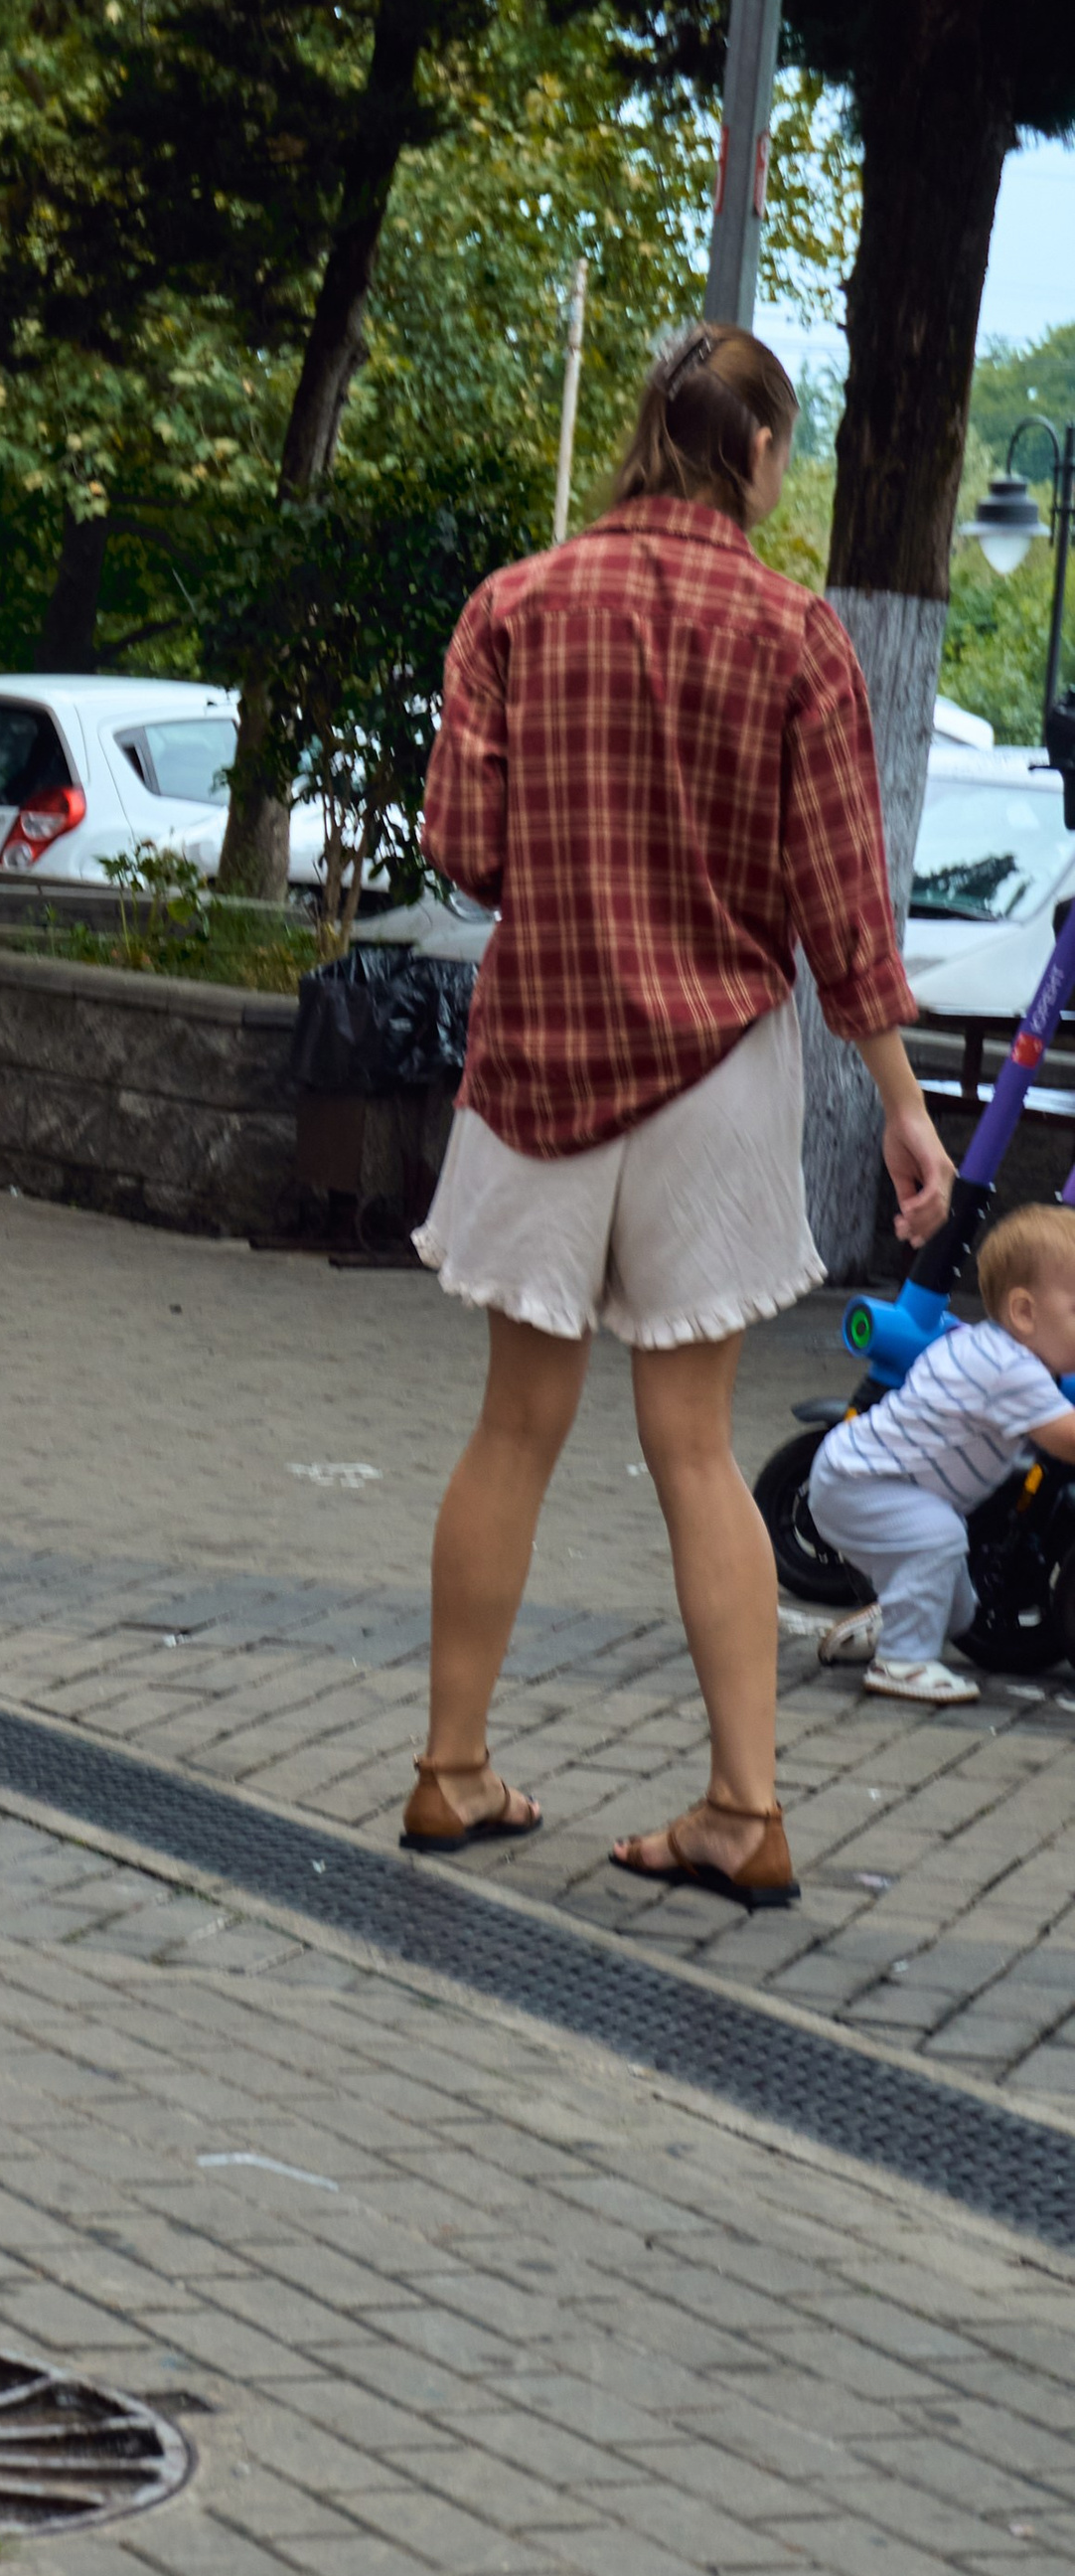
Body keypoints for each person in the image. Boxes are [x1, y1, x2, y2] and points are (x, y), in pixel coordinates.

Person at [401, 321, 954, 1911]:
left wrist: (582, 870)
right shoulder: (797, 636)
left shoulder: (516, 605)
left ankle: (452, 1769)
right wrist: (906, 1117)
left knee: (516, 1423)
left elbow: (465, 839)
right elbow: (844, 914)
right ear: (761, 454)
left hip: (540, 1062)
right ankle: (742, 1806)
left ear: (646, 431)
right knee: (696, 1444)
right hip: (719, 1075)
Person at [808, 1205, 1075, 1708]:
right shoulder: (1007, 1369)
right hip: (860, 1484)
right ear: (1024, 1312)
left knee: (960, 1612)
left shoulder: (1001, 1348)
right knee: (941, 1536)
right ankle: (903, 1661)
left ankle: (898, 1614)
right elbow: (1066, 1438)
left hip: (874, 1481)